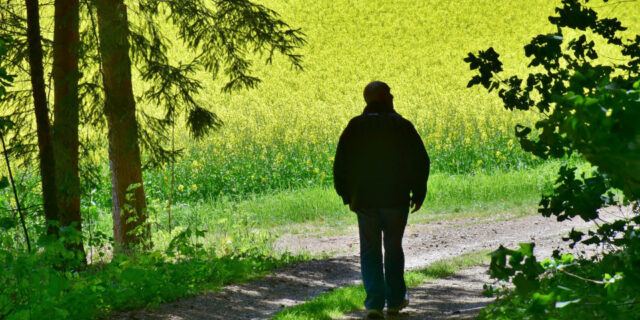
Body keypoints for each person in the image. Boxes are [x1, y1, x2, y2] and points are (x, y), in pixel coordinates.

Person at [333, 81, 430, 319]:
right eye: (390, 93)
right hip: (396, 199)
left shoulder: (355, 126)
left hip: (364, 200)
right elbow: (420, 161)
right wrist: (418, 193)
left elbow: (341, 164)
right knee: (393, 248)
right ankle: (396, 301)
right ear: (385, 98)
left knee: (370, 251)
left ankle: (374, 304)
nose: (393, 96)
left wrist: (348, 196)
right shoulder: (401, 125)